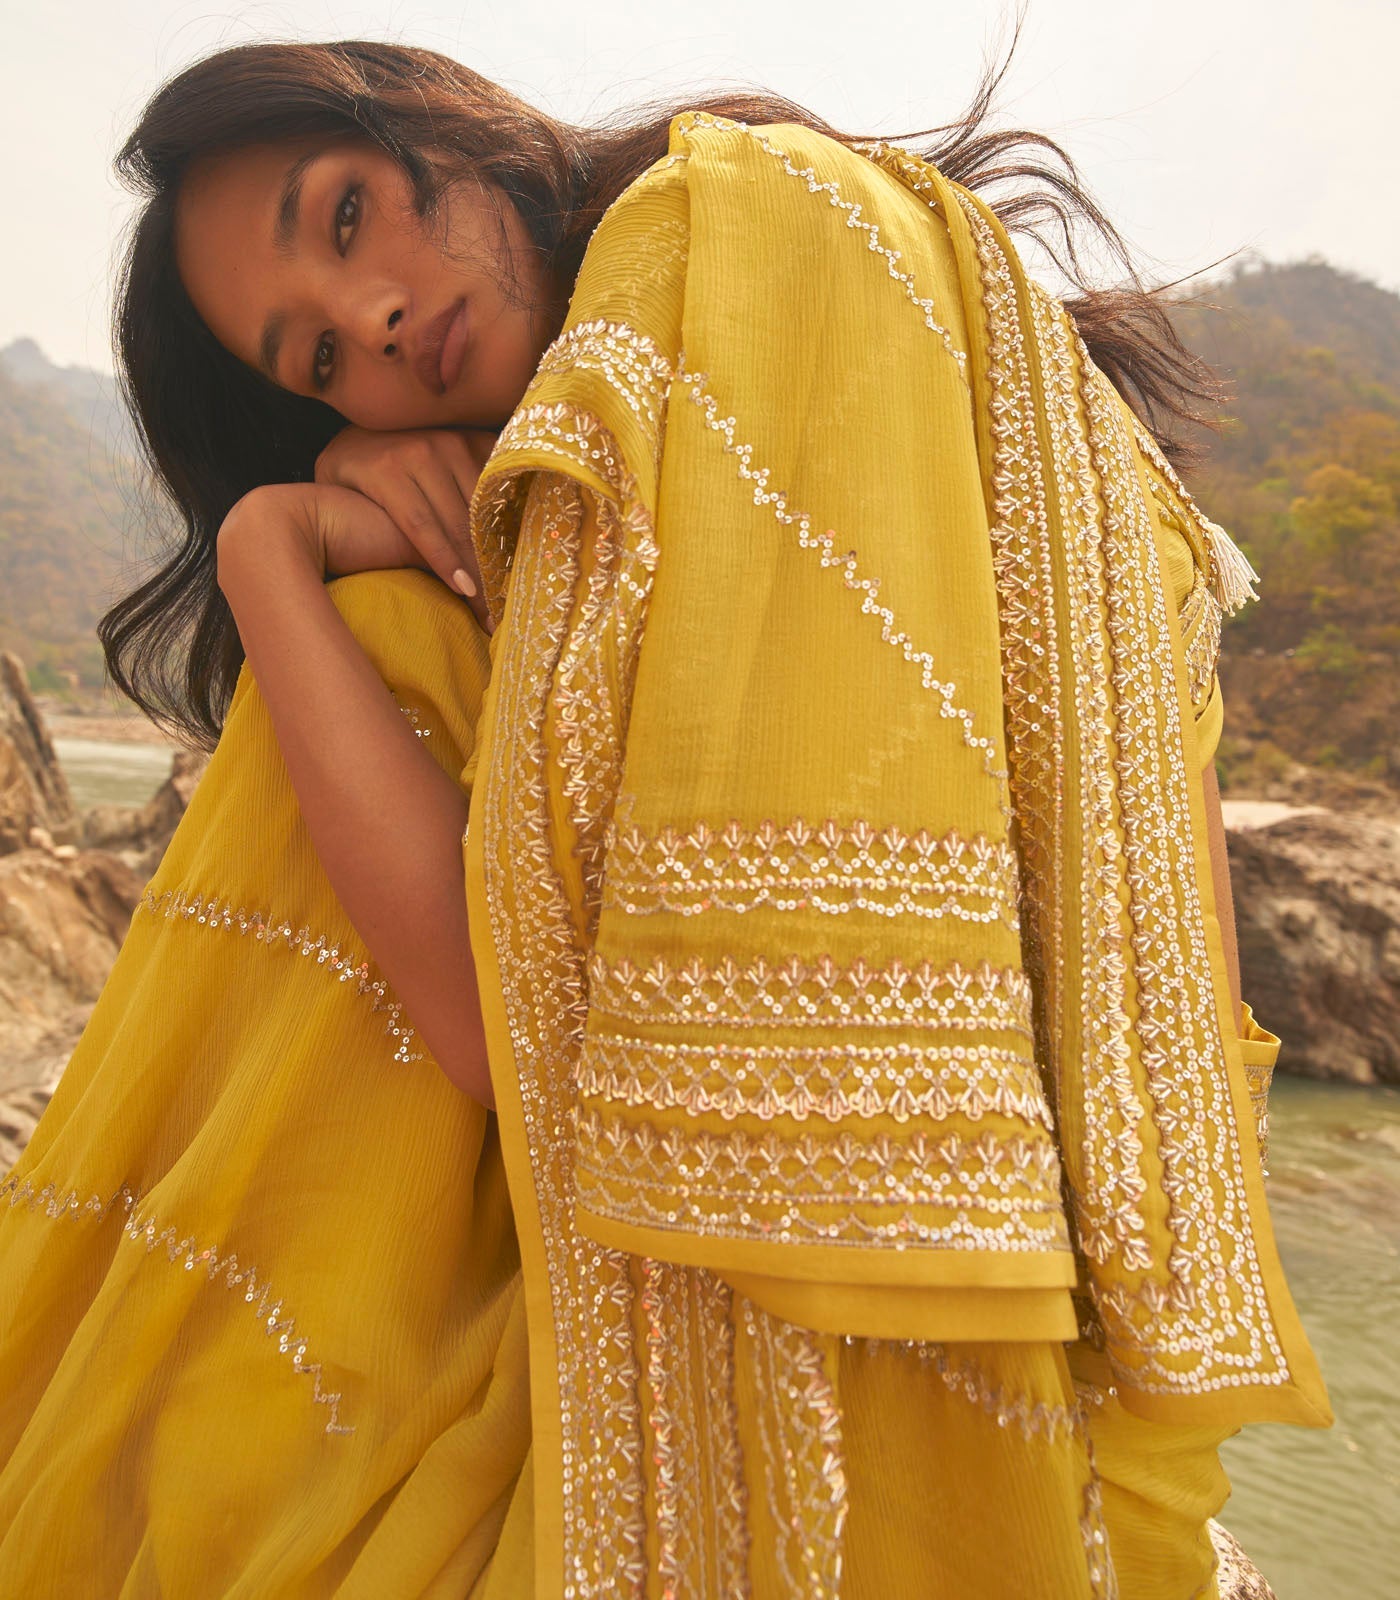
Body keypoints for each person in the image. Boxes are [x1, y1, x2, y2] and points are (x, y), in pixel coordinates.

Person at [0, 37, 1330, 1600]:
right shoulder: (574, 493)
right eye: (313, 364)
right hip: (959, 1243)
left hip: (936, 1267)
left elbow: (521, 1034)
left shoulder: (748, 231)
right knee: (372, 640)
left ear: (445, 125)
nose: (370, 324)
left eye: (347, 217)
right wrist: (266, 549)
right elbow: (501, 1022)